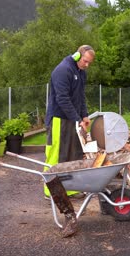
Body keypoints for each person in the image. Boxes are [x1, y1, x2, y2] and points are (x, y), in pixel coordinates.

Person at [44, 45, 95, 198]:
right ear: (77, 56)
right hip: (59, 119)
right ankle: (51, 192)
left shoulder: (81, 73)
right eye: (85, 61)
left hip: (73, 119)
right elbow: (62, 99)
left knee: (74, 154)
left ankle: (71, 189)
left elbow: (80, 96)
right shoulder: (63, 70)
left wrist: (84, 115)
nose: (86, 65)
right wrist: (77, 118)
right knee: (56, 155)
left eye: (89, 63)